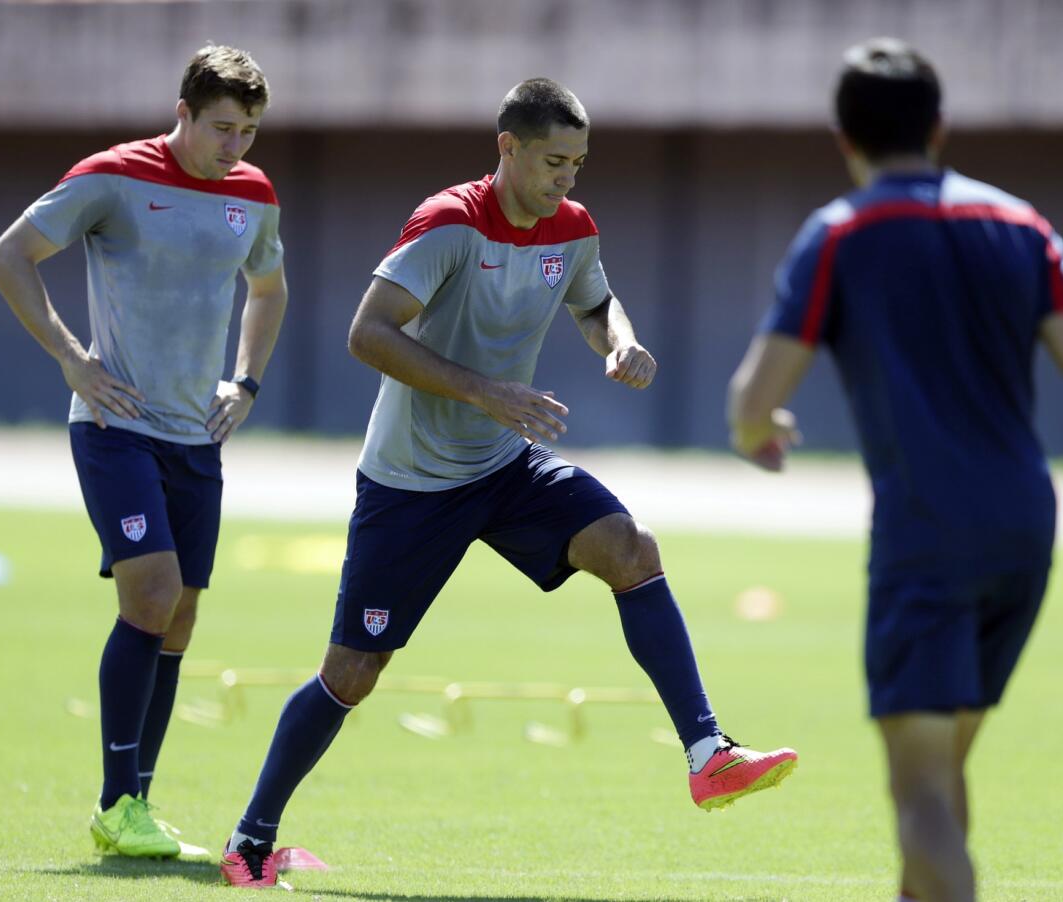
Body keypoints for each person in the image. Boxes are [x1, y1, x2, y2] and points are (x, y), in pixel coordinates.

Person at [218, 77, 797, 888]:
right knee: (351, 675)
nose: (567, 178)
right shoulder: (449, 222)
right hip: (411, 483)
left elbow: (596, 303)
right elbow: (367, 333)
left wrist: (617, 342)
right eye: (554, 160)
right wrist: (487, 391)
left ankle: (707, 751)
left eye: (579, 162)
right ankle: (250, 840)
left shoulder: (573, 228)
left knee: (631, 547)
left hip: (505, 463)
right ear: (508, 149)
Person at [727, 38, 1063, 902]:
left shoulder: (840, 234)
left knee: (917, 790)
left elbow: (751, 400)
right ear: (939, 127)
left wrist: (760, 433)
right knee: (945, 761)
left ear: (845, 138)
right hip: (1024, 531)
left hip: (927, 532)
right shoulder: (1022, 226)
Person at [0, 45, 288, 858]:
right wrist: (70, 356)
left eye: (251, 130)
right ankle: (116, 801)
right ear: (182, 111)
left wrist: (245, 383)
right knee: (150, 596)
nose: (237, 147)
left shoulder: (253, 195)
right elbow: (8, 256)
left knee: (182, 615)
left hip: (199, 436)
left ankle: (138, 810)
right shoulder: (113, 176)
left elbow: (269, 289)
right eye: (223, 127)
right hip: (114, 425)